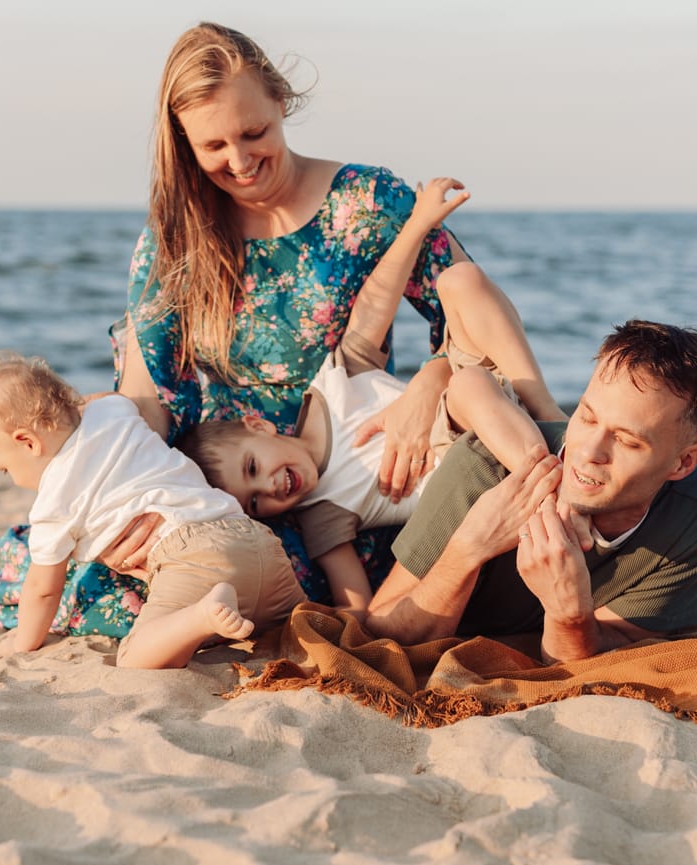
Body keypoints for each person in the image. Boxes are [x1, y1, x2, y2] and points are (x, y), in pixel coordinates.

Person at [110, 22, 481, 603]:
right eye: (212, 147)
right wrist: (147, 502)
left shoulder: (365, 203)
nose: (239, 161)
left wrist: (433, 381)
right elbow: (146, 397)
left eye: (253, 131)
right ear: (183, 143)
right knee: (123, 587)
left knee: (268, 585)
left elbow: (468, 303)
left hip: (347, 484)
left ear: (280, 101)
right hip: (225, 481)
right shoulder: (176, 237)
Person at [177, 177, 567, 617]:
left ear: (259, 425)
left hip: (475, 403)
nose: (268, 487)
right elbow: (355, 602)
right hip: (466, 466)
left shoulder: (333, 385)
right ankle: (553, 485)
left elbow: (375, 304)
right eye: (254, 503)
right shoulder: (321, 513)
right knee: (469, 385)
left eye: (252, 466)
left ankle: (546, 410)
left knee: (461, 280)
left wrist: (418, 222)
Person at [364, 320, 697, 665]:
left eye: (626, 441)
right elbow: (384, 631)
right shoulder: (485, 471)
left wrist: (569, 615)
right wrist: (469, 550)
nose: (589, 452)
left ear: (683, 463)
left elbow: (613, 646)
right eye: (587, 416)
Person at [0, 352, 306, 668]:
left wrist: (23, 642)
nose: (13, 479)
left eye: (5, 469)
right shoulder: (112, 413)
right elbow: (110, 398)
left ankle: (201, 616)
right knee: (300, 623)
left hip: (192, 557)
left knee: (134, 659)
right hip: (253, 534)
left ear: (28, 442)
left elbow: (43, 589)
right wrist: (66, 407)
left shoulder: (54, 501)